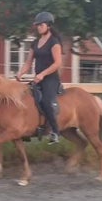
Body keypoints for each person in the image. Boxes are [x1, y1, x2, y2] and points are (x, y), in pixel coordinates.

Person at [16, 11, 63, 144]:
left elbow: (57, 63)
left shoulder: (54, 42)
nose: (38, 27)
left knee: (46, 102)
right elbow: (28, 63)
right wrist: (20, 74)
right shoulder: (35, 43)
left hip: (51, 79)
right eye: (37, 25)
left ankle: (55, 131)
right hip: (38, 78)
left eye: (41, 25)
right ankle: (27, 129)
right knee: (25, 99)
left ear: (48, 25)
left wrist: (42, 74)